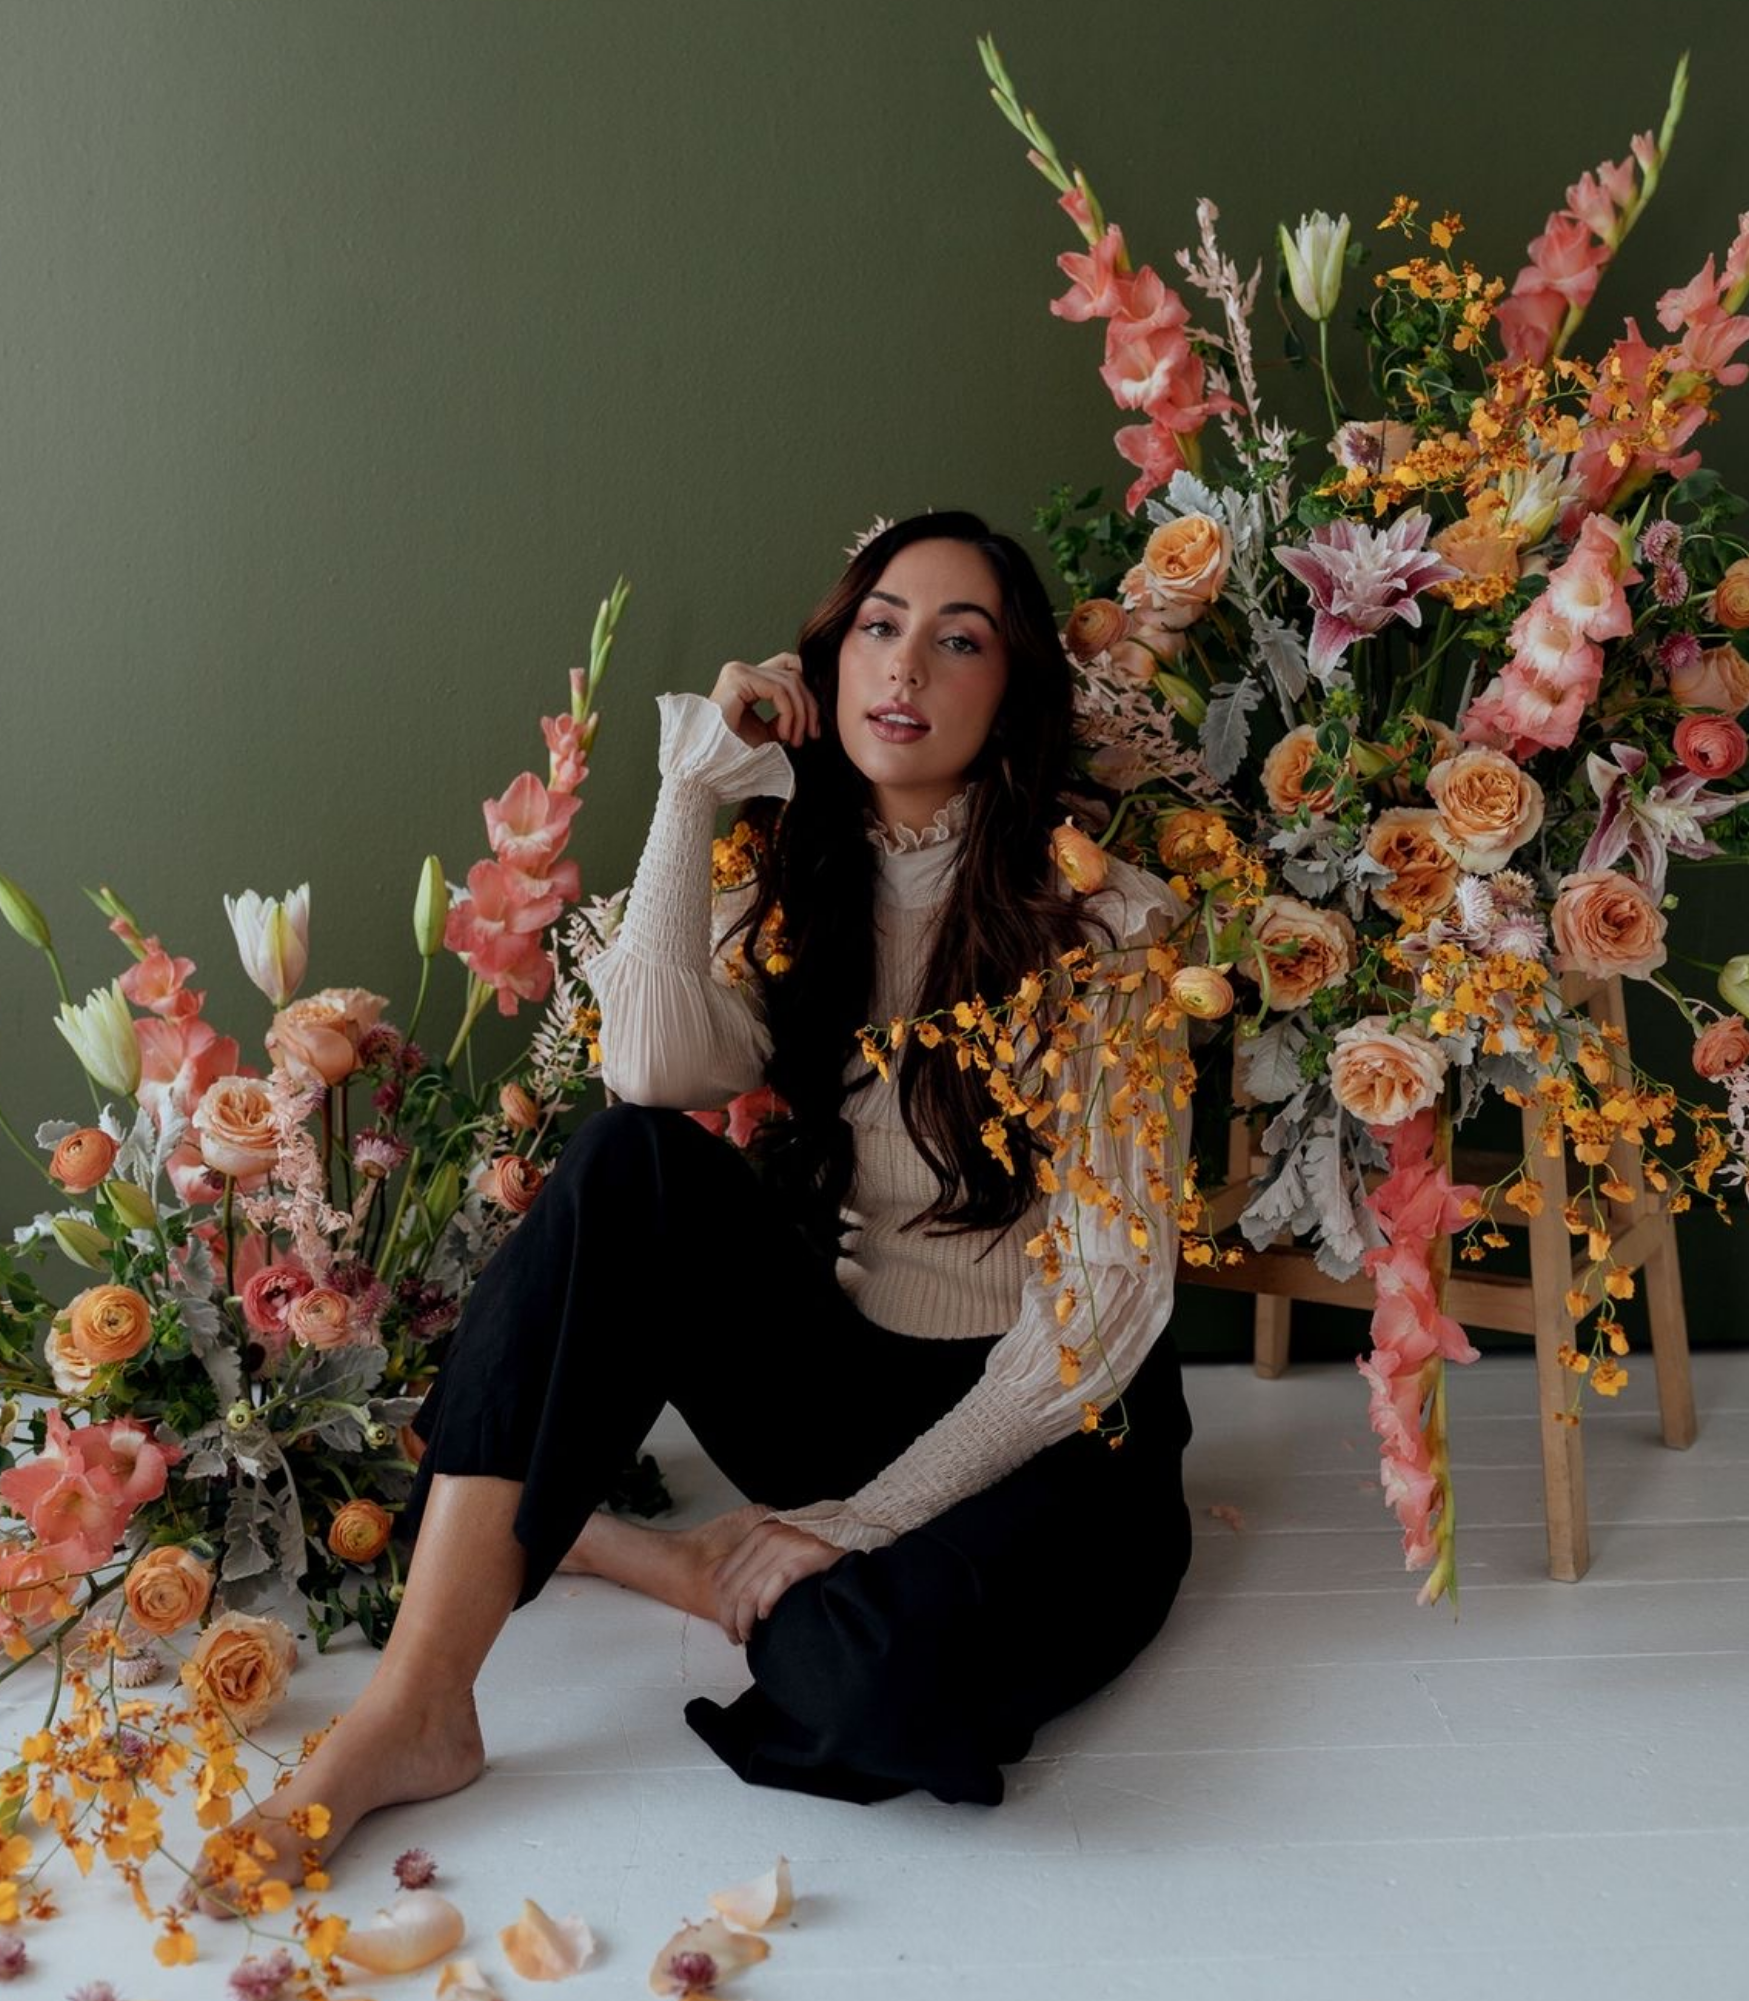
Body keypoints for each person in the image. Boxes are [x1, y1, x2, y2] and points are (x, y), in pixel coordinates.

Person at [203, 510, 1196, 1894]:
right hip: (852, 1385)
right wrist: (695, 791)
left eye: (958, 640)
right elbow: (649, 1066)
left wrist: (858, 1523)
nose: (905, 666)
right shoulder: (798, 892)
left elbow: (1108, 1312)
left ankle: (656, 1557)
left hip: (1062, 1427)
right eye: (880, 625)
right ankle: (414, 1711)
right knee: (628, 1167)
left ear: (1013, 695)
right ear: (835, 663)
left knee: (862, 1675)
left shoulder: (1109, 930)